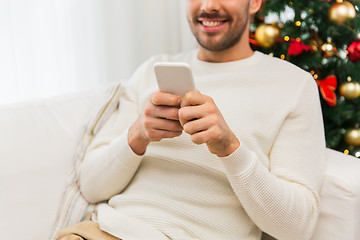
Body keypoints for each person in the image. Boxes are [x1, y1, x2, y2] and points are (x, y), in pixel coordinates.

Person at [57, 0, 326, 239]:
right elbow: (91, 187)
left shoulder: (293, 86)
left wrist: (230, 149)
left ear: (255, 2)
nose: (208, 5)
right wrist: (138, 134)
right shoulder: (150, 71)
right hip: (107, 231)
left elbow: (297, 229)